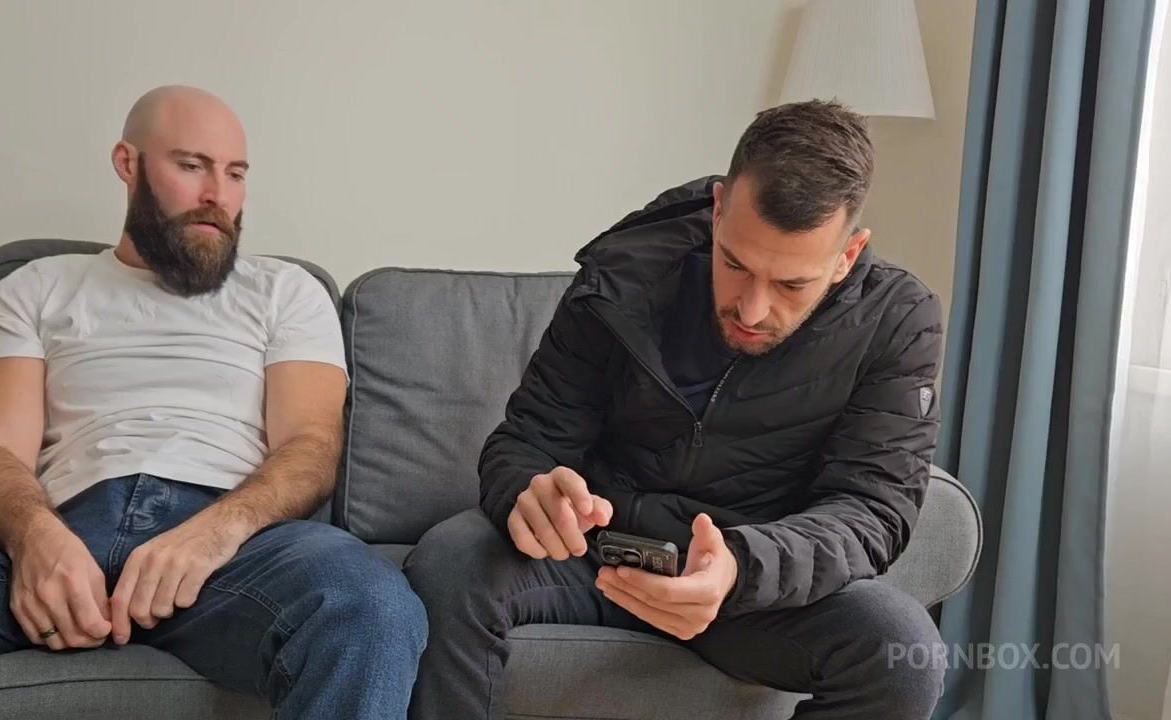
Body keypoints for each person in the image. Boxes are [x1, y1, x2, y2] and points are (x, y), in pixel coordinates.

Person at [405, 100, 946, 719]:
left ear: (847, 255)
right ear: (719, 209)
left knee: (900, 651)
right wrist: (529, 489)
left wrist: (741, 567)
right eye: (734, 263)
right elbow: (528, 438)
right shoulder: (624, 270)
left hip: (749, 582)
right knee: (450, 562)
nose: (751, 309)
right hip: (591, 551)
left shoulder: (898, 321)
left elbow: (871, 510)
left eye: (792, 285)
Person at [0, 85, 426, 720]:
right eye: (191, 166)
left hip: (232, 557)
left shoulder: (285, 292)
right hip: (59, 538)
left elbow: (310, 445)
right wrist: (35, 539)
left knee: (372, 604)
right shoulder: (33, 288)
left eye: (235, 173)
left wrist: (214, 535)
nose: (219, 194)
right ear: (127, 164)